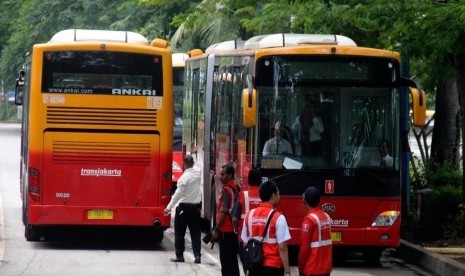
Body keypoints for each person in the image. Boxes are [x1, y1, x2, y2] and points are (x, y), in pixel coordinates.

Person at [241, 180, 292, 276]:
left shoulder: (250, 215)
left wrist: (248, 266)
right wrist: (287, 271)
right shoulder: (278, 218)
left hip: (254, 266)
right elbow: (282, 248)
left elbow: (245, 243)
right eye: (278, 193)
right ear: (273, 195)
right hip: (273, 268)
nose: (279, 196)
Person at [164, 155, 202, 264]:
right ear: (193, 163)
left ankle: (180, 256)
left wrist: (168, 208)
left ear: (184, 164)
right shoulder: (198, 173)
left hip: (183, 208)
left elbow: (177, 194)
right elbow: (197, 167)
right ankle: (197, 256)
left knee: (180, 233)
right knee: (195, 234)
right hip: (195, 208)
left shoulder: (183, 179)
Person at [231, 169, 263, 274]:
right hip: (262, 240)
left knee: (247, 267)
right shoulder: (264, 196)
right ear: (261, 181)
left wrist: (236, 230)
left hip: (245, 240)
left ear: (248, 180)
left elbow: (235, 218)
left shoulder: (242, 195)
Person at [212, 165, 241, 276]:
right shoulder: (236, 188)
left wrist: (216, 228)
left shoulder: (226, 191)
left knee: (226, 262)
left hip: (225, 231)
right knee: (233, 261)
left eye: (223, 174)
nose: (220, 177)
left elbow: (223, 211)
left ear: (229, 175)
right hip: (234, 230)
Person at [298, 186, 332, 276]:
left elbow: (304, 249)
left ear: (304, 201)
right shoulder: (326, 217)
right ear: (319, 200)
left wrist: (301, 269)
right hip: (326, 269)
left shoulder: (309, 220)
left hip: (312, 269)